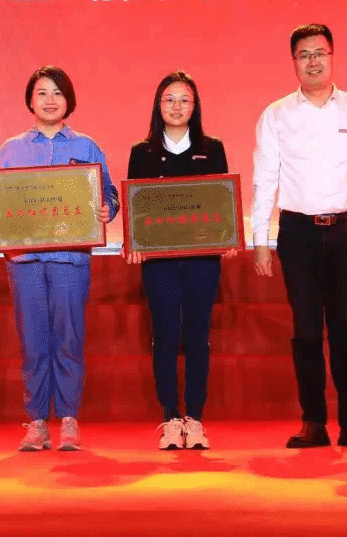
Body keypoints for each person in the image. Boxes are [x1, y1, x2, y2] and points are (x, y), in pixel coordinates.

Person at [251, 24, 347, 449]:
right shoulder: (276, 115)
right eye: (304, 55)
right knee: (305, 331)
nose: (313, 61)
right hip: (296, 233)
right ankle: (313, 421)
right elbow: (265, 179)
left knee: (345, 328)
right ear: (294, 62)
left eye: (320, 53)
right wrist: (260, 239)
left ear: (332, 57)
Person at [0, 66, 119, 451]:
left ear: (68, 100)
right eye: (42, 92)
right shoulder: (11, 150)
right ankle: (37, 421)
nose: (50, 100)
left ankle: (70, 419)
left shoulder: (87, 147)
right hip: (24, 260)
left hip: (70, 259)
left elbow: (108, 193)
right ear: (30, 100)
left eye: (57, 92)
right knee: (33, 340)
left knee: (69, 336)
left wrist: (107, 209)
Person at [125, 70, 234, 450]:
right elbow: (137, 207)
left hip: (203, 259)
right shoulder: (142, 153)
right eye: (169, 99)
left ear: (195, 106)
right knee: (166, 335)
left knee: (198, 335)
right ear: (158, 105)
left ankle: (196, 419)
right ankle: (171, 417)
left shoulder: (212, 148)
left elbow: (220, 200)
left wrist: (227, 236)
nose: (176, 106)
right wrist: (135, 241)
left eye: (184, 99)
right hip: (160, 262)